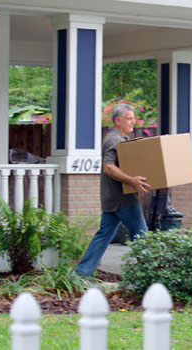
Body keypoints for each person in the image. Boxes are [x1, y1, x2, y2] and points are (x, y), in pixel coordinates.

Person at [75, 103, 151, 277]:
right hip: (123, 200)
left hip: (112, 199)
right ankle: (151, 276)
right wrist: (131, 180)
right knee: (142, 238)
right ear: (118, 120)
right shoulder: (114, 140)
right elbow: (108, 167)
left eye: (133, 118)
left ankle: (81, 273)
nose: (133, 122)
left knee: (103, 236)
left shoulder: (117, 138)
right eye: (129, 119)